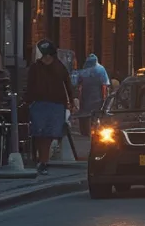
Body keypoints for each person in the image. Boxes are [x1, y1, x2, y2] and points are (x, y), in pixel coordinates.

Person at [24, 39, 77, 175]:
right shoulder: (56, 66)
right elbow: (68, 84)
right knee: (43, 133)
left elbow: (67, 84)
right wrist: (71, 101)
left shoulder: (40, 67)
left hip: (49, 103)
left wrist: (71, 100)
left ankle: (42, 159)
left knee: (45, 133)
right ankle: (42, 160)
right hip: (48, 103)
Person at [75, 53, 110, 134]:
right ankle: (94, 131)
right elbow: (104, 84)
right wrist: (104, 96)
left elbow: (79, 85)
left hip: (87, 97)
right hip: (97, 97)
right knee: (96, 114)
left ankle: (87, 131)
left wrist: (80, 97)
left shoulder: (84, 70)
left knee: (86, 114)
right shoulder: (101, 69)